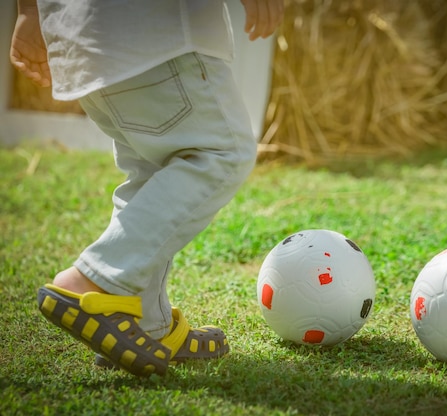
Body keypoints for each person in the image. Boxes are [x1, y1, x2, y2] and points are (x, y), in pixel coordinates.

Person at [10, 0, 284, 377]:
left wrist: (28, 11)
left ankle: (145, 323)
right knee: (224, 151)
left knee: (154, 170)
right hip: (156, 37)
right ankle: (95, 279)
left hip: (81, 40)